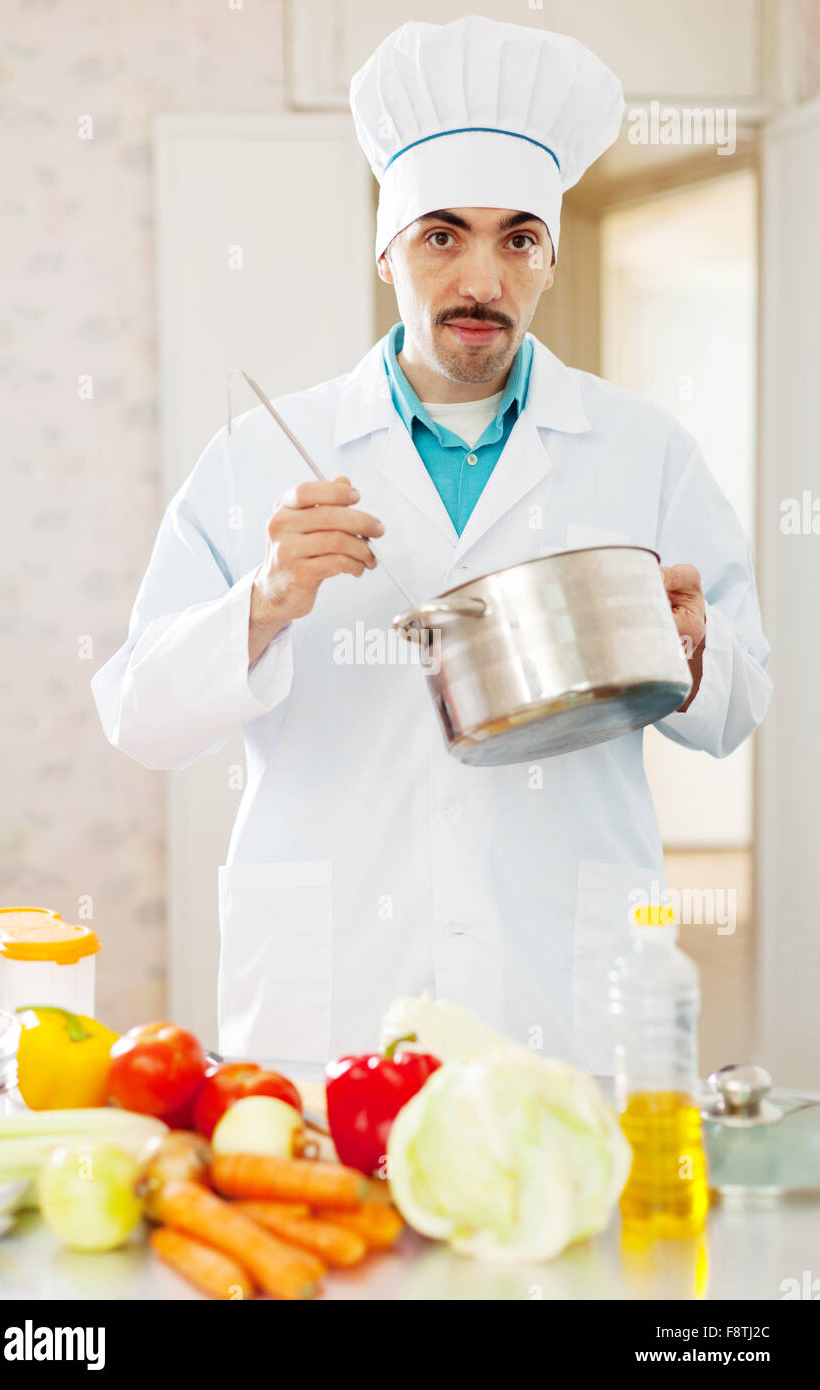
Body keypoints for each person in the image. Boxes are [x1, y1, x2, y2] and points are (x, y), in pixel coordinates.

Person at [93, 18, 771, 1081]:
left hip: (563, 982)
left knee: (563, 1232)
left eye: (516, 239)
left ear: (547, 256)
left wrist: (693, 649)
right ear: (388, 250)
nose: (479, 282)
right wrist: (264, 603)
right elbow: (137, 715)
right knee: (344, 1238)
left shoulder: (643, 450)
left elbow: (738, 708)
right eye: (441, 235)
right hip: (338, 999)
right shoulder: (259, 456)